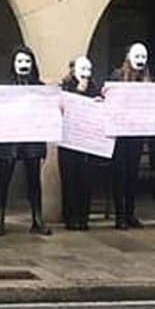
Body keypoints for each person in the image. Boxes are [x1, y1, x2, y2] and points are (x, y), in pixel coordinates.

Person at [0, 46, 51, 236]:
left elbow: (47, 112)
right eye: (20, 61)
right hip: (9, 141)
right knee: (3, 180)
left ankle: (37, 220)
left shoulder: (40, 88)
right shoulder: (4, 87)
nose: (24, 65)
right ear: (13, 64)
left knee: (34, 180)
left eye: (27, 62)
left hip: (31, 139)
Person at [106, 43, 151, 230]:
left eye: (143, 57)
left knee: (133, 174)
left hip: (136, 135)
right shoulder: (117, 77)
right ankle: (120, 216)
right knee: (120, 175)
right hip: (120, 135)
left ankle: (130, 213)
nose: (140, 61)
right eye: (137, 56)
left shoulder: (148, 81)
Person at [58, 56, 100, 230]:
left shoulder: (94, 88)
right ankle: (70, 216)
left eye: (88, 70)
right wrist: (78, 93)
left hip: (87, 143)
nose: (86, 74)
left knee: (86, 180)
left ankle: (83, 216)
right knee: (70, 180)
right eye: (82, 70)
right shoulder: (65, 88)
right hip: (69, 143)